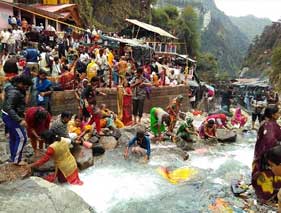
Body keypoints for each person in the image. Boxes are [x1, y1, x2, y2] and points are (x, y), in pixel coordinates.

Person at [2, 75, 33, 165]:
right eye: (26, 86)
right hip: (11, 117)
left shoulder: (12, 87)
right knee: (22, 137)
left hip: (8, 115)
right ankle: (16, 160)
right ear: (21, 84)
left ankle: (13, 157)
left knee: (13, 137)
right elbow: (9, 107)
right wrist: (19, 120)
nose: (27, 89)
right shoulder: (14, 93)